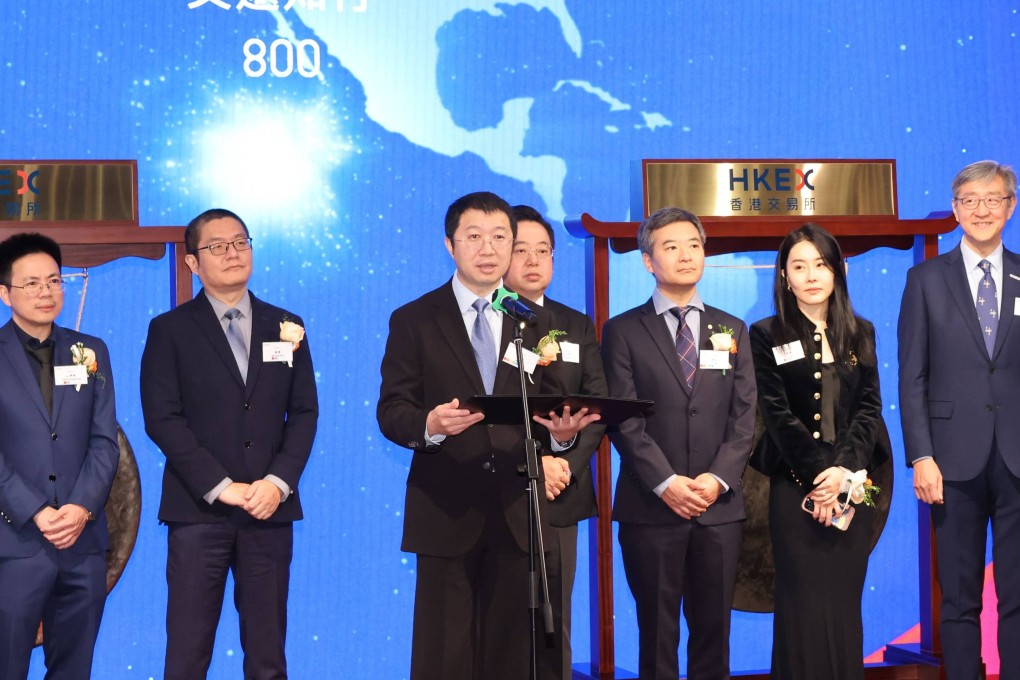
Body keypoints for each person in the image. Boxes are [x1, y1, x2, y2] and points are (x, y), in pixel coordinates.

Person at [376, 191, 597, 680]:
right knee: (444, 655)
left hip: (520, 513)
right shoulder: (415, 318)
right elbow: (392, 410)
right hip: (446, 507)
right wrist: (429, 426)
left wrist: (561, 441)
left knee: (512, 658)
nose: (488, 248)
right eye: (474, 237)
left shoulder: (533, 322)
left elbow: (552, 411)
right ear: (450, 245)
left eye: (501, 237)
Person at [140, 208, 318, 680]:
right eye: (217, 246)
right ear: (193, 263)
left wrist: (277, 483)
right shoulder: (170, 330)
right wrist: (222, 486)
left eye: (240, 242)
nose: (232, 253)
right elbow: (162, 419)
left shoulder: (287, 325)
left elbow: (303, 413)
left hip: (269, 510)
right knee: (187, 652)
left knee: (267, 654)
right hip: (199, 512)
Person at [601, 207, 756, 679]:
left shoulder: (732, 328)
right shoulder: (623, 331)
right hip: (651, 510)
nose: (686, 255)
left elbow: (745, 416)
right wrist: (666, 482)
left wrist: (716, 479)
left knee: (714, 632)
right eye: (671, 246)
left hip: (718, 508)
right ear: (649, 260)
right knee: (657, 634)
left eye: (694, 244)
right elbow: (623, 420)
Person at [750, 223, 889, 680]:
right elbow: (776, 415)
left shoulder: (861, 332)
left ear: (839, 271)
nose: (811, 275)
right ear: (785, 277)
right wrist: (818, 476)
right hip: (795, 489)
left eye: (821, 264)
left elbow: (869, 410)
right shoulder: (765, 334)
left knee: (844, 604)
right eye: (799, 266)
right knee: (801, 606)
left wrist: (843, 472)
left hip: (853, 491)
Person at [898, 160, 1020, 679]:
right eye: (970, 200)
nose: (982, 209)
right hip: (950, 462)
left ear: (1011, 206)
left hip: (1018, 457)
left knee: (1017, 595)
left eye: (993, 199)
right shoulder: (925, 279)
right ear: (954, 210)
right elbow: (912, 378)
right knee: (961, 597)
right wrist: (921, 456)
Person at [0, 232, 119, 680]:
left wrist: (81, 507)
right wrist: (33, 511)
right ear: (4, 293)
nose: (46, 292)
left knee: (73, 669)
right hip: (13, 544)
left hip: (81, 542)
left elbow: (105, 440)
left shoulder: (91, 351)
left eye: (53, 280)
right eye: (31, 284)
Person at [504, 204, 608, 680]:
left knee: (554, 623)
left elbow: (597, 403)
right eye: (520, 249)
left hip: (560, 494)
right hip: (498, 490)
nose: (532, 261)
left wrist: (562, 460)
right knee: (499, 624)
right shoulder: (485, 322)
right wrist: (532, 462)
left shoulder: (576, 324)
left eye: (542, 251)